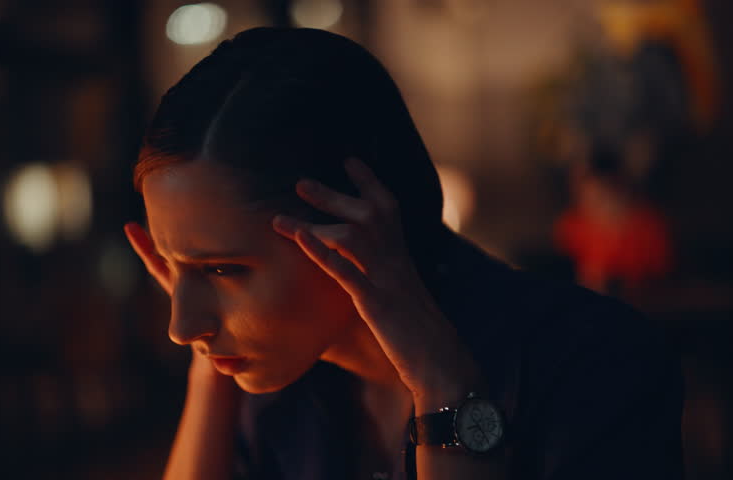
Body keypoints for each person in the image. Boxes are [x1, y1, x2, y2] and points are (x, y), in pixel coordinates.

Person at [124, 27, 683, 480]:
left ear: (354, 223)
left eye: (222, 268)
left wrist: (446, 390)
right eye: (173, 268)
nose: (181, 325)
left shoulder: (596, 365)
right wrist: (210, 374)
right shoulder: (277, 392)